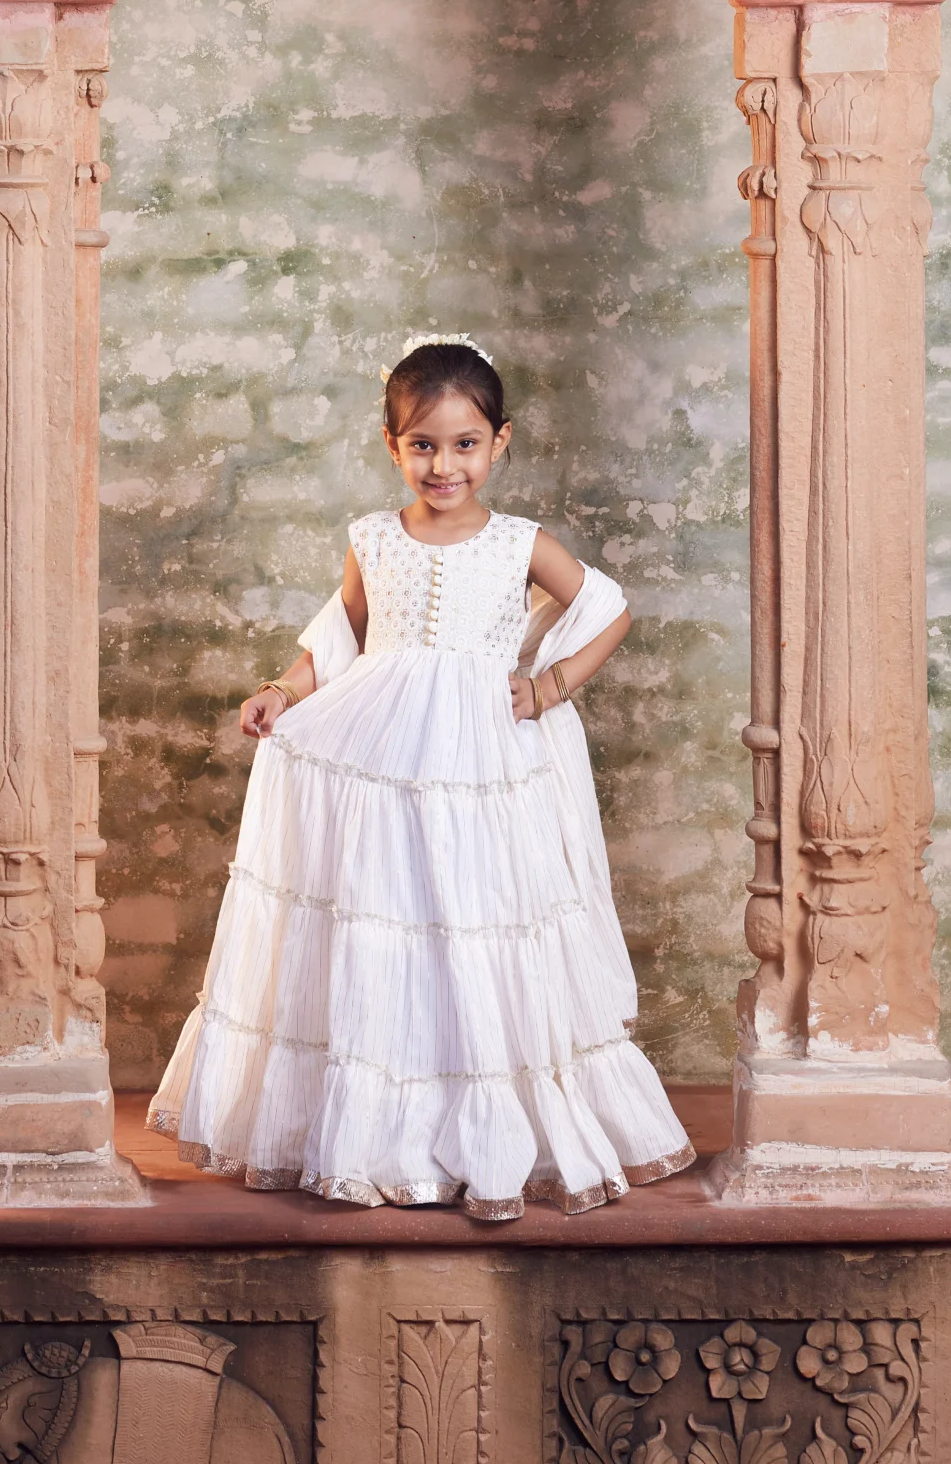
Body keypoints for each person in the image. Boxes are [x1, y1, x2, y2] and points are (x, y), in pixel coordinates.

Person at [148, 337, 695, 1219]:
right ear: (393, 445)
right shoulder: (373, 538)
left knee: (475, 920)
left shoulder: (519, 542)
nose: (446, 464)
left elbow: (608, 606)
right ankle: (382, 1137)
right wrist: (282, 691)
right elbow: (337, 637)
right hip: (382, 743)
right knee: (388, 919)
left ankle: (489, 1134)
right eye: (424, 445)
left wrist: (550, 687)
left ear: (501, 441)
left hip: (479, 753)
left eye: (466, 443)